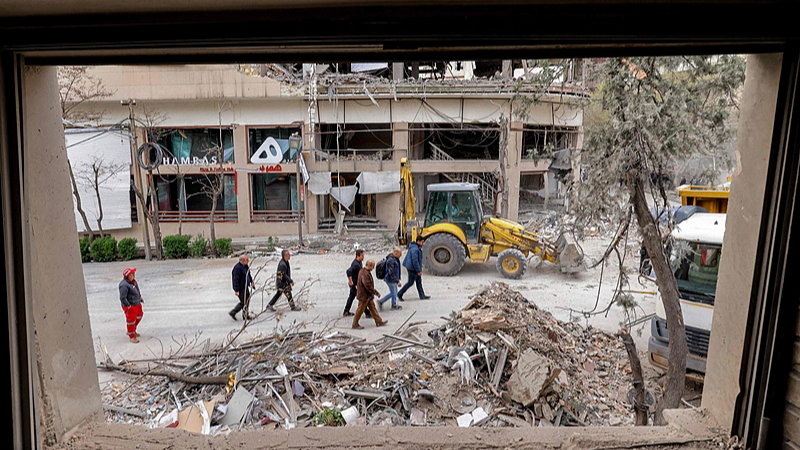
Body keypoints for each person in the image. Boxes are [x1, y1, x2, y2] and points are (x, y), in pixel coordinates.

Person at [352, 260, 388, 329]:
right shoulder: (365, 274)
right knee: (360, 310)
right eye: (373, 266)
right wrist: (376, 293)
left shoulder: (363, 271)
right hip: (364, 296)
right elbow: (368, 286)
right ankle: (355, 324)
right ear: (370, 266)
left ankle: (379, 321)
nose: (373, 268)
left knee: (373, 308)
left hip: (367, 296)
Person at [398, 236, 431, 302]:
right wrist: (418, 270)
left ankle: (422, 295)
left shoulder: (414, 247)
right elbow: (415, 261)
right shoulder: (415, 249)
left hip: (412, 267)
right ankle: (399, 294)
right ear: (418, 241)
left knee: (419, 282)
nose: (422, 244)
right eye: (422, 242)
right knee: (410, 282)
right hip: (412, 268)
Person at [118, 267, 144, 343]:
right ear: (128, 276)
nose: (133, 275)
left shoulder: (133, 282)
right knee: (131, 320)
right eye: (131, 274)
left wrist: (140, 297)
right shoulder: (123, 285)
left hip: (137, 303)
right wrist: (128, 305)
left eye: (133, 274)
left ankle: (132, 329)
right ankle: (132, 336)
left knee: (140, 315)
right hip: (131, 305)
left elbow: (137, 291)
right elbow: (123, 297)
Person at [229, 254, 255, 320]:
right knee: (243, 302)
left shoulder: (245, 266)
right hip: (240, 288)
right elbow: (235, 280)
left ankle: (245, 315)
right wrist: (237, 290)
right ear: (243, 261)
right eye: (247, 260)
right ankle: (233, 312)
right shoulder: (237, 268)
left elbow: (248, 275)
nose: (248, 261)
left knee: (247, 300)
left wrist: (251, 282)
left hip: (245, 286)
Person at [343, 249, 365, 317]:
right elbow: (348, 272)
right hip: (354, 284)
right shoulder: (355, 264)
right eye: (362, 256)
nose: (363, 257)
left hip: (356, 283)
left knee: (351, 297)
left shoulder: (359, 263)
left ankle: (346, 311)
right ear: (357, 256)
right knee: (361, 298)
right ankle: (367, 312)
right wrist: (351, 282)